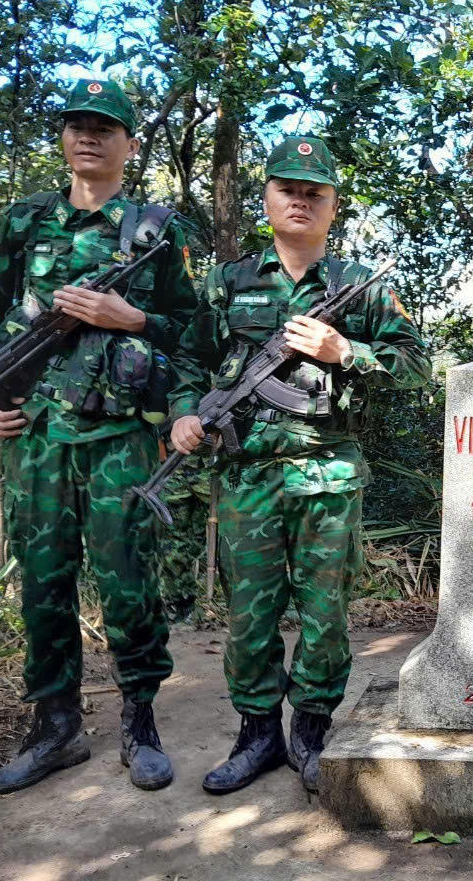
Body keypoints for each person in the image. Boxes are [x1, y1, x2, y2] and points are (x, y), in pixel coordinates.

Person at [168, 135, 431, 794]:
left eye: (315, 192)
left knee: (324, 612)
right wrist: (182, 414)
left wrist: (347, 351)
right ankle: (256, 737)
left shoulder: (358, 289)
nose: (301, 201)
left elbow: (416, 368)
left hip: (327, 476)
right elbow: (184, 362)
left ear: (333, 206)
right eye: (288, 188)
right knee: (250, 615)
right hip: (246, 477)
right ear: (268, 199)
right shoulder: (229, 284)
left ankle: (311, 734)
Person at [0, 77, 199, 794]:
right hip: (36, 438)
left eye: (105, 126)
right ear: (64, 137)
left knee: (128, 584)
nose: (88, 136)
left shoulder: (158, 233)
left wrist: (126, 318)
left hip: (119, 439)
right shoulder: (27, 220)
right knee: (43, 586)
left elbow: (196, 335)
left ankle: (140, 722)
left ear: (131, 144)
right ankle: (56, 728)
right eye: (77, 124)